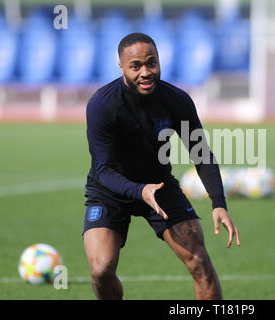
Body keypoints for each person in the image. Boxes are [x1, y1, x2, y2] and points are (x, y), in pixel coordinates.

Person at [82, 32, 241, 300]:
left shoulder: (176, 100)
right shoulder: (102, 104)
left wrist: (219, 203)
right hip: (109, 190)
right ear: (121, 67)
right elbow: (103, 170)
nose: (145, 72)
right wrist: (139, 190)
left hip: (160, 186)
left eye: (151, 63)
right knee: (101, 269)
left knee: (199, 263)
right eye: (136, 66)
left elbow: (201, 154)